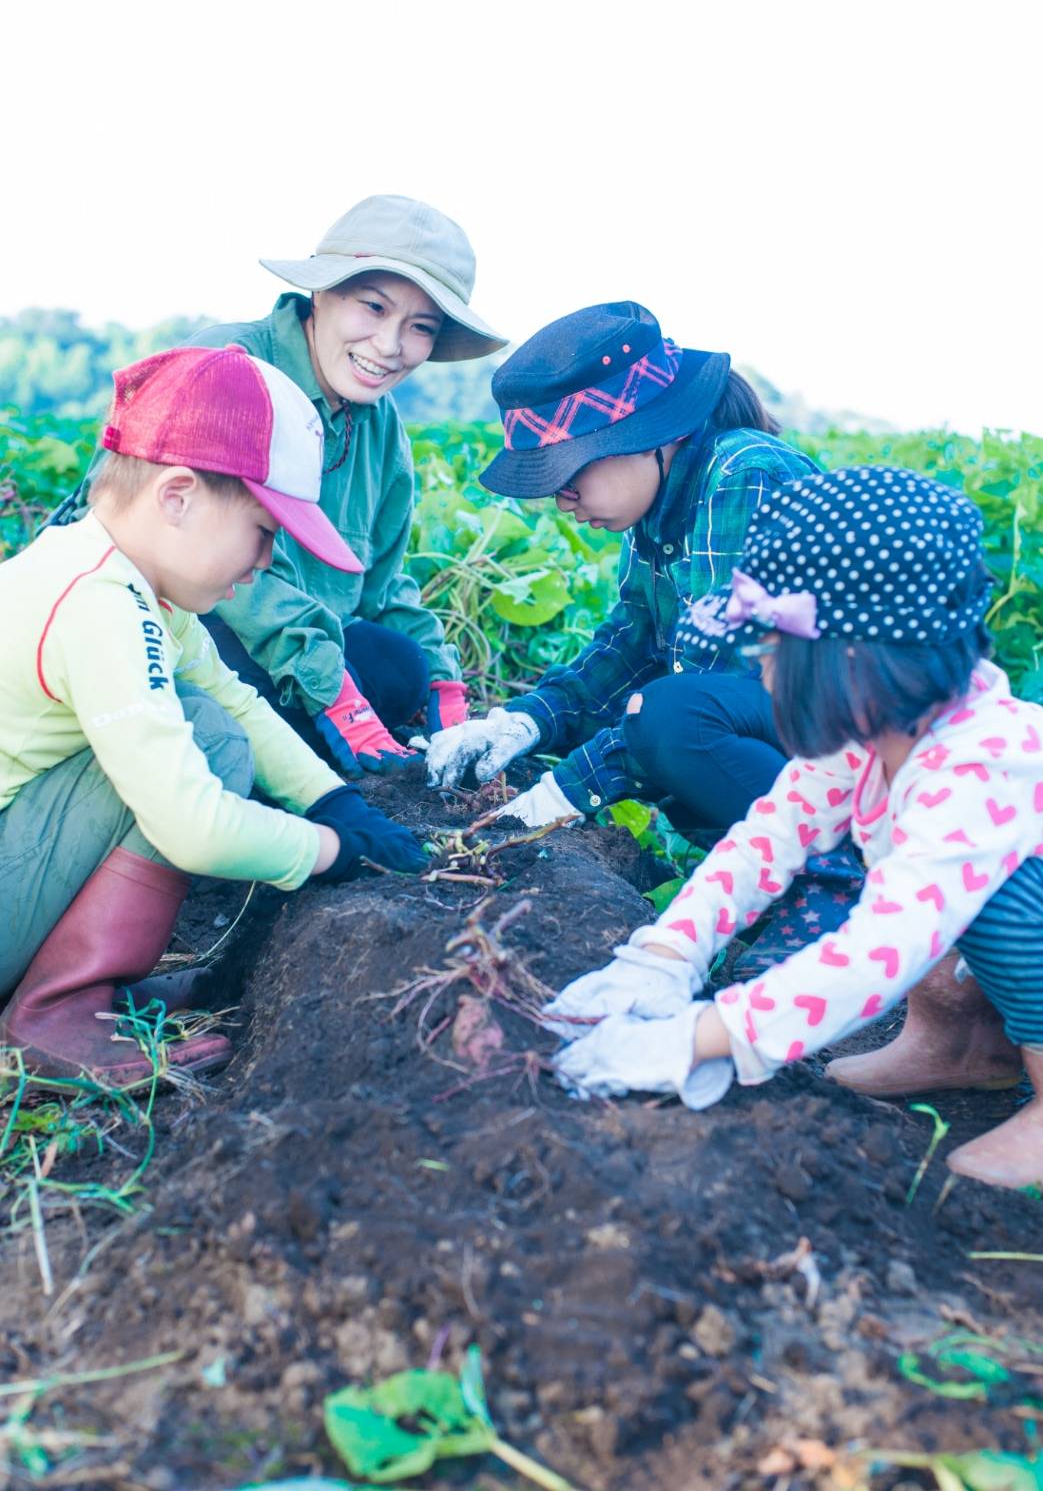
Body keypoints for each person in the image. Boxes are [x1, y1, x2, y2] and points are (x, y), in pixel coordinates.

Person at [547, 466, 1043, 1192]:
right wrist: (665, 953)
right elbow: (766, 838)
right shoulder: (876, 731)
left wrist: (699, 1038)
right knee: (934, 881)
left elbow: (880, 952)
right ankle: (962, 1045)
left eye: (773, 649)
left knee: (1004, 902)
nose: (761, 668)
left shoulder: (981, 765)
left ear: (855, 658)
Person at [0, 347, 426, 1085]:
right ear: (177, 497)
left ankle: (83, 985)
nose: (264, 561)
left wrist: (335, 799)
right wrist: (328, 848)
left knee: (210, 717)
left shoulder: (116, 575)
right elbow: (192, 827)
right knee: (204, 739)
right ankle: (56, 1010)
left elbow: (234, 693)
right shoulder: (99, 605)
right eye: (262, 531)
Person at [51, 194, 508, 779]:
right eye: (373, 307)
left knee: (398, 665)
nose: (390, 346)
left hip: (289, 642)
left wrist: (446, 685)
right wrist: (334, 695)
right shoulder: (229, 366)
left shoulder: (380, 424)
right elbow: (202, 563)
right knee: (241, 679)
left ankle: (279, 749)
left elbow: (383, 581)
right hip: (162, 618)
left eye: (419, 328)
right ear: (322, 292)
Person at [425, 301, 819, 842]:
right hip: (785, 745)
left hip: (855, 748)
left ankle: (836, 867)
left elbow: (719, 680)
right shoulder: (659, 503)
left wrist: (567, 789)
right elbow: (633, 646)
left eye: (570, 474)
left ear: (645, 437)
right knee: (656, 723)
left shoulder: (743, 475)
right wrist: (525, 720)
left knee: (669, 722)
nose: (564, 501)